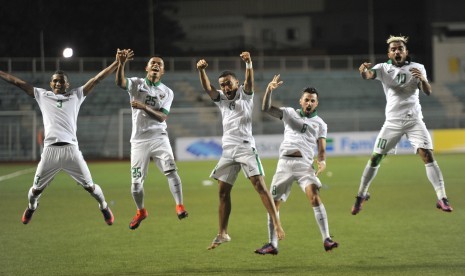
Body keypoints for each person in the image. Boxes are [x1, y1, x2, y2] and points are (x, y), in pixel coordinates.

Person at [0, 54, 121, 225]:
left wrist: (117, 63)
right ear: (51, 84)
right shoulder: (42, 95)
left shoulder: (76, 95)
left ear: (67, 84)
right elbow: (18, 82)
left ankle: (104, 206)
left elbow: (96, 80)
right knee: (35, 190)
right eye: (55, 81)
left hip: (71, 150)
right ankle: (31, 207)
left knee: (90, 187)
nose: (58, 83)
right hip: (50, 151)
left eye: (61, 81)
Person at [352, 35, 453, 215]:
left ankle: (442, 198)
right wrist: (362, 71)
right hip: (392, 122)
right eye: (393, 49)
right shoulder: (383, 68)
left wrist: (422, 79)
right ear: (389, 53)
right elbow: (368, 75)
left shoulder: (417, 68)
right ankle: (361, 195)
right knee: (375, 158)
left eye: (400, 48)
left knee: (427, 156)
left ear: (406, 52)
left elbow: (428, 91)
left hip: (414, 121)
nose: (397, 51)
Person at [196, 52, 285, 250]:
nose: (225, 87)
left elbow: (250, 82)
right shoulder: (220, 99)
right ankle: (223, 233)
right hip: (228, 151)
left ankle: (277, 224)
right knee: (222, 193)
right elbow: (207, 88)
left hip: (245, 147)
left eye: (228, 83)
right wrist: (201, 71)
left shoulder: (245, 94)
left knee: (260, 186)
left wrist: (249, 64)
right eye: (223, 84)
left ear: (237, 83)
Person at [255, 74, 338, 255]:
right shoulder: (289, 113)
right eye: (306, 99)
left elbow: (321, 148)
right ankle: (272, 244)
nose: (309, 103)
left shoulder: (320, 124)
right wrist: (269, 89)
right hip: (284, 165)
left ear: (317, 103)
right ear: (301, 101)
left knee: (314, 196)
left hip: (304, 166)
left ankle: (326, 238)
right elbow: (266, 108)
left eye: (312, 101)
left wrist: (322, 161)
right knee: (273, 204)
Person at [115, 49, 188, 230]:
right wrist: (121, 63)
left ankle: (179, 205)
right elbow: (120, 82)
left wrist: (143, 106)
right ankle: (141, 212)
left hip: (159, 137)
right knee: (135, 184)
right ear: (147, 67)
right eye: (153, 63)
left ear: (162, 71)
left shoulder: (167, 92)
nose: (156, 65)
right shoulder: (137, 83)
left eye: (160, 64)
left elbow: (162, 117)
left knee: (171, 171)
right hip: (139, 141)